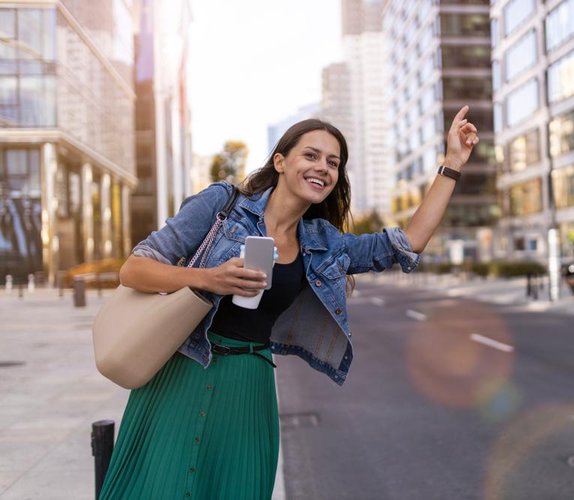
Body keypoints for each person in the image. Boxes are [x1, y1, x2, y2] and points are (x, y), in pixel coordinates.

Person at [99, 106, 479, 499]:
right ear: (280, 161)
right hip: (180, 373)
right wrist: (209, 279)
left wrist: (451, 163)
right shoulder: (222, 205)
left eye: (333, 163)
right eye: (311, 155)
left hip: (248, 386)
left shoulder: (323, 242)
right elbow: (135, 268)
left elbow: (408, 243)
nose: (323, 168)